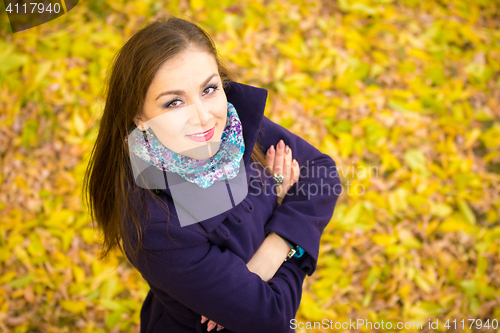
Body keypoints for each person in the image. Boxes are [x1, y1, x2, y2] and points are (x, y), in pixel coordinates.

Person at [83, 15, 341, 333]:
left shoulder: (234, 125)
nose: (204, 117)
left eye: (209, 89)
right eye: (174, 102)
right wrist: (285, 208)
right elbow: (271, 316)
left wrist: (277, 247)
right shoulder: (153, 221)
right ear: (139, 116)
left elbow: (323, 173)